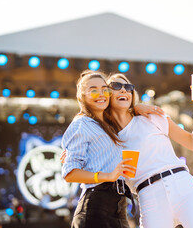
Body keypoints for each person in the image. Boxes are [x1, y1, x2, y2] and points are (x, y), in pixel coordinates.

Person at [105, 73, 193, 228]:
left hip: (182, 184)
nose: (123, 90)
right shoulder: (106, 136)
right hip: (149, 195)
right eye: (116, 86)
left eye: (128, 87)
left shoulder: (151, 116)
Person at [62, 70, 144, 228]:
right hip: (95, 207)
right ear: (82, 96)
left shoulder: (112, 125)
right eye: (93, 90)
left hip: (119, 206)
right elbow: (69, 173)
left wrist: (140, 108)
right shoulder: (82, 124)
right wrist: (109, 175)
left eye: (104, 89)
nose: (101, 94)